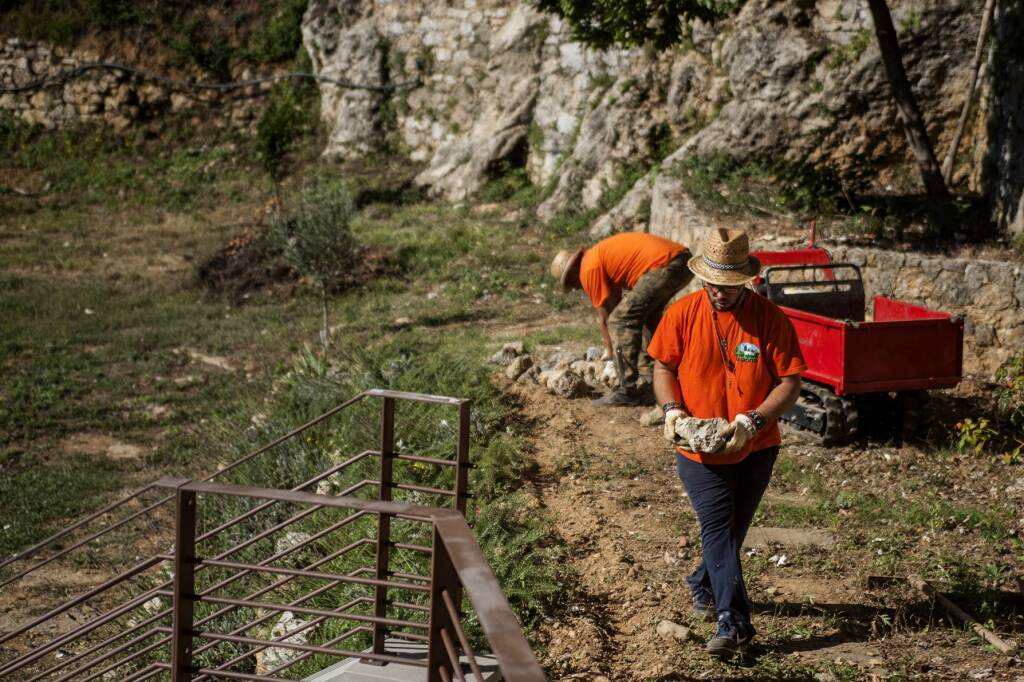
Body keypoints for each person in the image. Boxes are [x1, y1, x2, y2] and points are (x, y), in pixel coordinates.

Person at [647, 227, 806, 658]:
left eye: (729, 287)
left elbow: (790, 382)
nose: (719, 294)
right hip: (697, 448)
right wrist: (672, 411)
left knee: (734, 530)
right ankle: (733, 621)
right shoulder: (681, 314)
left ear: (746, 282)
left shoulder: (771, 320)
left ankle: (702, 582)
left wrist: (754, 420)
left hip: (756, 444)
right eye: (712, 285)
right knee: (718, 527)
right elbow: (663, 367)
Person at [549, 232, 693, 407]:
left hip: (666, 264)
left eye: (570, 284)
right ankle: (652, 377)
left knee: (620, 320)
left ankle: (626, 390)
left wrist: (610, 356)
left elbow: (609, 317)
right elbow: (618, 305)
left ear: (572, 271)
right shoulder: (597, 258)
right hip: (680, 261)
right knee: (646, 317)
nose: (576, 288)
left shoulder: (588, 269)